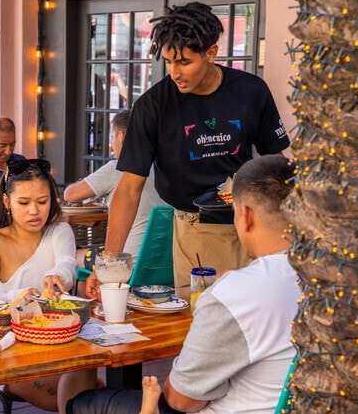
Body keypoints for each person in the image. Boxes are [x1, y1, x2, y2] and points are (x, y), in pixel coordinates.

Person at [87, 2, 291, 300]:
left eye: (183, 61)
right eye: (169, 61)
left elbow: (277, 163)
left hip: (256, 223)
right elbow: (129, 188)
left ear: (211, 53)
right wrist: (107, 264)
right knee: (207, 317)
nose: (174, 72)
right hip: (197, 229)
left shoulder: (252, 91)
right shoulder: (152, 106)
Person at [68, 154, 301, 414]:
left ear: (245, 216)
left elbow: (181, 399)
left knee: (83, 403)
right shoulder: (328, 281)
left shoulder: (237, 292)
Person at [0, 158, 98, 414]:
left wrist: (55, 276)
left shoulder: (59, 231)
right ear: (7, 202)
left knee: (90, 379)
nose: (34, 211)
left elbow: (66, 264)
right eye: (24, 203)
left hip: (60, 343)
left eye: (43, 201)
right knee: (90, 396)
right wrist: (24, 295)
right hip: (8, 351)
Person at [63, 110, 164, 285]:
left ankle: (84, 307)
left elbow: (70, 194)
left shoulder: (119, 167)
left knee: (70, 255)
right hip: (162, 264)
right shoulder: (163, 168)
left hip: (127, 261)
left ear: (121, 136)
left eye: (111, 138)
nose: (111, 144)